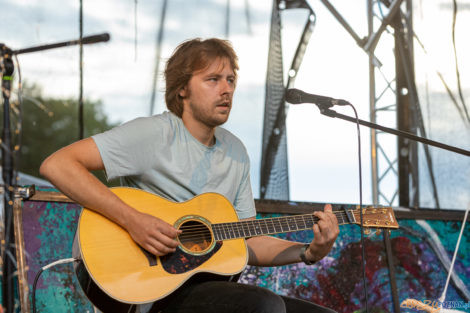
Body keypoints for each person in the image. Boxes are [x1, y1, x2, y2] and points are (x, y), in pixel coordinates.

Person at [40, 38, 339, 313]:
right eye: (213, 79)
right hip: (146, 288)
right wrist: (134, 221)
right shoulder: (154, 134)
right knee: (264, 305)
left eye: (231, 79)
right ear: (182, 88)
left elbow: (248, 240)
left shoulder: (236, 152)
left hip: (203, 289)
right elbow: (58, 165)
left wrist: (309, 251)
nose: (227, 89)